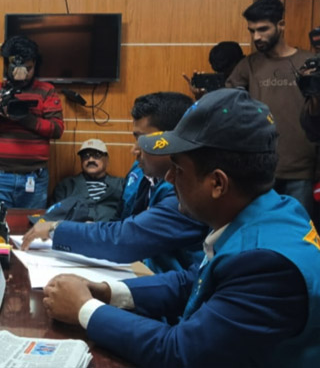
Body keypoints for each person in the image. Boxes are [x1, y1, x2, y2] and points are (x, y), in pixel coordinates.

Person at [42, 88, 320, 368]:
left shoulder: (266, 263)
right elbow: (193, 282)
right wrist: (107, 292)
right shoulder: (273, 210)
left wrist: (85, 309)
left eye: (179, 169)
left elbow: (180, 353)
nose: (169, 177)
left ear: (217, 183)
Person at [22, 92, 208, 274]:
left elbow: (126, 239)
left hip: (167, 282)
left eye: (143, 140)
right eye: (136, 139)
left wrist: (57, 229)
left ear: (171, 139)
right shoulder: (139, 172)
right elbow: (120, 221)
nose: (134, 149)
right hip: (133, 268)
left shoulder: (186, 190)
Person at [226, 0, 316, 216]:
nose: (256, 37)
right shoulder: (248, 65)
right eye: (252, 31)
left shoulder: (308, 62)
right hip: (261, 171)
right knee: (261, 229)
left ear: (281, 25)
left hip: (303, 171)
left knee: (298, 231)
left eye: (263, 29)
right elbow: (228, 102)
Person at [0, 36, 64, 208]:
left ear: (35, 64)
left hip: (34, 177)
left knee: (31, 224)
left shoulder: (46, 91)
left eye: (28, 68)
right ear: (6, 65)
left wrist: (26, 118)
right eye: (16, 68)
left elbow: (57, 129)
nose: (22, 74)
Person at [49, 138, 123, 222]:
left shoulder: (121, 185)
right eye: (86, 155)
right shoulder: (66, 186)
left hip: (109, 229)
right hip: (76, 229)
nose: (90, 160)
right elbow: (53, 216)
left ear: (107, 160)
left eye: (97, 155)